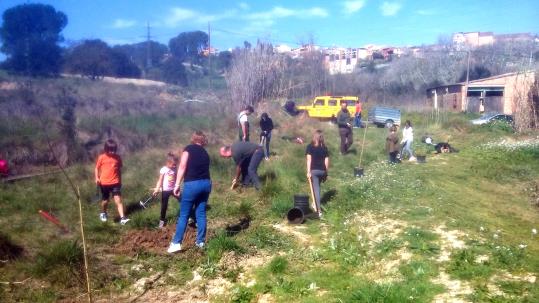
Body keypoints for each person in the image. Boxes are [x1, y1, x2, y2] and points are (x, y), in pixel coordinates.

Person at [168, 131, 212, 253]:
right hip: (206, 184)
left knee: (184, 215)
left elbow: (182, 166)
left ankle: (176, 243)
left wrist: (177, 184)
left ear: (193, 139)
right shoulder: (205, 153)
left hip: (192, 185)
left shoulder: (188, 149)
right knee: (201, 213)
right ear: (203, 140)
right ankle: (200, 242)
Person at [95, 139, 129, 224]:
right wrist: (96, 178)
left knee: (118, 200)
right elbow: (96, 168)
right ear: (106, 149)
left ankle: (123, 218)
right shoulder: (101, 157)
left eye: (114, 150)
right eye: (110, 150)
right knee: (105, 201)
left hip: (115, 183)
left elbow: (118, 170)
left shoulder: (118, 158)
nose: (112, 152)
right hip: (104, 183)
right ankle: (103, 213)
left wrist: (120, 181)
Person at [306, 130, 329, 219]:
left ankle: (318, 210)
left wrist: (308, 172)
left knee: (316, 190)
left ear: (314, 137)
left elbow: (309, 160)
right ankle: (315, 202)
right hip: (322, 170)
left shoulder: (310, 147)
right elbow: (326, 161)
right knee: (317, 187)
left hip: (314, 171)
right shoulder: (324, 148)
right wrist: (326, 172)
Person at [152, 152, 178, 228]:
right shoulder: (164, 169)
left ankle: (186, 216)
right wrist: (157, 189)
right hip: (166, 190)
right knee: (164, 206)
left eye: (175, 164)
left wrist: (177, 186)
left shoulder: (175, 169)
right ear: (168, 163)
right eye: (173, 164)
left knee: (182, 200)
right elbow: (160, 180)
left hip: (173, 189)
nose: (174, 166)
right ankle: (161, 222)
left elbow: (176, 178)